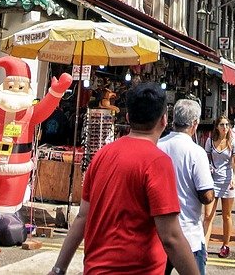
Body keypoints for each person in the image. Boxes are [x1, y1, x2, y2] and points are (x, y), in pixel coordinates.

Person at [48, 83, 199, 275]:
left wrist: (59, 269)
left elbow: (82, 217)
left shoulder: (103, 154)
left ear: (127, 118)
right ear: (164, 120)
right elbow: (171, 237)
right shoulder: (158, 162)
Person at [158, 99, 215, 275]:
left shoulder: (158, 146)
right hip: (189, 236)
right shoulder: (196, 152)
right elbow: (206, 196)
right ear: (195, 124)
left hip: (160, 233)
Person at [201, 116, 235, 258]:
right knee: (207, 215)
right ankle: (204, 247)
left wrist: (234, 179)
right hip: (212, 181)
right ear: (217, 126)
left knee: (226, 215)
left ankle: (225, 245)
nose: (225, 127)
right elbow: (205, 160)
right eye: (222, 124)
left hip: (228, 181)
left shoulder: (233, 142)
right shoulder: (209, 141)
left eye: (227, 125)